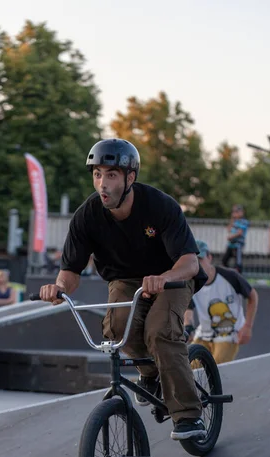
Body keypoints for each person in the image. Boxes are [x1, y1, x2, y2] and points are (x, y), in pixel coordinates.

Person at [40, 138, 209, 441]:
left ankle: (188, 416)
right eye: (97, 175)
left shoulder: (159, 206)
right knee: (117, 330)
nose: (102, 184)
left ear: (130, 177)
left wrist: (164, 276)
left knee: (160, 331)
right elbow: (71, 270)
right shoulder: (87, 216)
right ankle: (150, 373)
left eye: (111, 175)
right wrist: (59, 287)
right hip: (125, 280)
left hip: (171, 277)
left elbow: (190, 263)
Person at [185, 241, 258, 364]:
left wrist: (247, 326)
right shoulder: (191, 282)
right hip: (204, 333)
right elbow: (189, 307)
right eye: (194, 261)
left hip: (229, 333)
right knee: (188, 365)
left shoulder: (229, 276)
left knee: (217, 366)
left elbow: (253, 296)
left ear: (209, 257)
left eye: (200, 259)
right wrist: (188, 326)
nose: (198, 265)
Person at [222, 204, 249, 273]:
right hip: (231, 244)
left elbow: (240, 232)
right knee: (224, 260)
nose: (235, 213)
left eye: (237, 212)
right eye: (234, 212)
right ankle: (228, 273)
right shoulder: (234, 221)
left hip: (238, 245)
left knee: (238, 263)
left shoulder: (244, 222)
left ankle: (238, 276)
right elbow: (229, 229)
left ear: (241, 212)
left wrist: (231, 237)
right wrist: (232, 219)